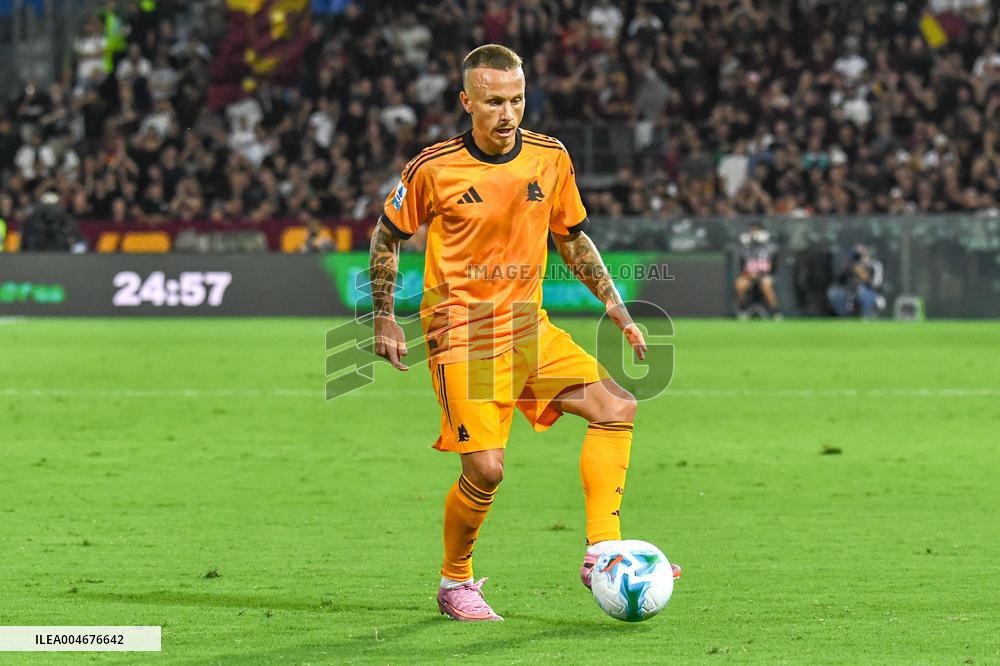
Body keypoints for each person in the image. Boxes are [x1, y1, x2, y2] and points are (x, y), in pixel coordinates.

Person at [369, 44, 680, 622]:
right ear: (467, 101)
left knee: (617, 406)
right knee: (485, 470)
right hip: (459, 331)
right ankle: (453, 582)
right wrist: (383, 314)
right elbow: (387, 237)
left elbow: (573, 237)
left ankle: (602, 549)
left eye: (515, 99)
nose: (507, 112)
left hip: (526, 325)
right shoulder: (432, 168)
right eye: (492, 102)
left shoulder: (550, 157)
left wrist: (614, 304)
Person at [734, 221, 781, 319]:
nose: (754, 233)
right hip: (750, 275)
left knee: (766, 284)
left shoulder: (771, 248)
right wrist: (749, 274)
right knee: (740, 284)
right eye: (752, 230)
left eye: (756, 230)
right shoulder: (746, 247)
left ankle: (776, 312)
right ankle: (743, 309)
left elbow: (774, 268)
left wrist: (765, 275)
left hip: (765, 275)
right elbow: (742, 267)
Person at [827, 244, 886, 319]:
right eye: (857, 255)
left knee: (861, 291)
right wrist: (850, 269)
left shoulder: (874, 265)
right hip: (848, 292)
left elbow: (876, 284)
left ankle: (866, 316)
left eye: (861, 255)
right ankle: (843, 316)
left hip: (870, 293)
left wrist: (864, 273)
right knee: (836, 293)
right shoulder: (850, 266)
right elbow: (840, 280)